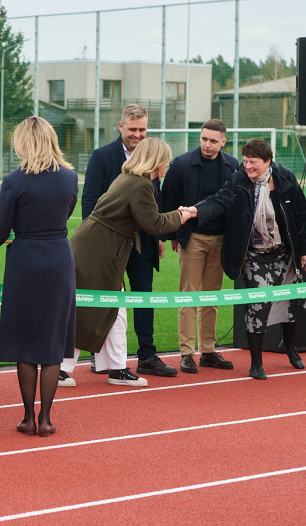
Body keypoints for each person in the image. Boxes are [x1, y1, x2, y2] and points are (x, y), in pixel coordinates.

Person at [0, 116, 78, 437]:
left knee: (26, 342)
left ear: (23, 142)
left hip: (25, 261)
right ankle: (46, 418)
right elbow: (66, 211)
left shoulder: (14, 180)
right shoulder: (70, 177)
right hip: (59, 259)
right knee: (52, 340)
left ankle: (27, 418)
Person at [188, 138, 306, 380]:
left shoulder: (286, 178)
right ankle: (256, 363)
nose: (247, 166)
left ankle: (289, 346)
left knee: (290, 303)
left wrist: (305, 251)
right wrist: (195, 211)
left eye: (253, 162)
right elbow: (220, 200)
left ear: (268, 162)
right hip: (253, 254)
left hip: (285, 252)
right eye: (245, 161)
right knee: (256, 307)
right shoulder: (239, 179)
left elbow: (302, 216)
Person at [69, 138, 190, 387]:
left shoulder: (130, 178)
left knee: (109, 310)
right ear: (157, 160)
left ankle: (115, 367)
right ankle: (71, 367)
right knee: (93, 310)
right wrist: (182, 215)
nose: (168, 163)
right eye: (166, 159)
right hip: (98, 251)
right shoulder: (141, 184)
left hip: (96, 247)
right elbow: (153, 223)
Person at [81, 104, 176, 378]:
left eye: (142, 129)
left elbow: (153, 205)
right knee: (104, 299)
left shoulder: (154, 158)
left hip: (143, 242)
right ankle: (101, 356)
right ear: (121, 126)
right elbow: (91, 203)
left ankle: (147, 355)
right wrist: (99, 246)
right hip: (109, 246)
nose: (137, 134)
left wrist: (157, 236)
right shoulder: (102, 156)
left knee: (144, 298)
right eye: (132, 129)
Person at [159, 119, 239, 372]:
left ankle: (208, 351)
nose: (207, 144)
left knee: (211, 298)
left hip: (221, 240)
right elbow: (167, 200)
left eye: (213, 141)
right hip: (192, 238)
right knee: (189, 296)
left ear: (223, 142)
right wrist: (173, 236)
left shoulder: (232, 165)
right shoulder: (182, 164)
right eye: (204, 139)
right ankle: (186, 353)